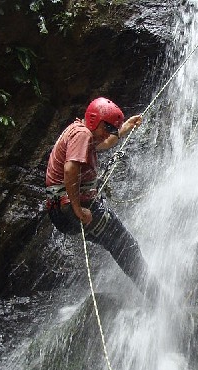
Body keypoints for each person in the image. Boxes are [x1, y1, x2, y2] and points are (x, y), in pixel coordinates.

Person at [45, 97, 158, 300]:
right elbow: (70, 169)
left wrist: (124, 129)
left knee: (119, 245)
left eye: (112, 130)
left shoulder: (80, 132)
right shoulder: (82, 134)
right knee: (126, 245)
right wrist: (78, 209)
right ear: (94, 119)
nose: (109, 133)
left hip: (61, 210)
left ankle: (155, 295)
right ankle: (159, 299)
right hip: (70, 209)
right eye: (107, 127)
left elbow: (104, 143)